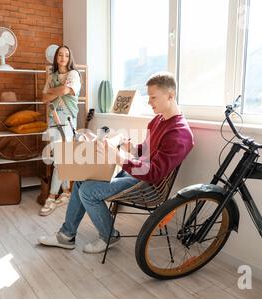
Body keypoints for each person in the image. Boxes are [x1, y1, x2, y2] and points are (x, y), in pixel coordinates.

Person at [38, 72, 194, 253]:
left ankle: (109, 236)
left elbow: (153, 173)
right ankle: (66, 236)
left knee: (88, 191)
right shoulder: (158, 120)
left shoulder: (179, 133)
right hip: (134, 173)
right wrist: (129, 147)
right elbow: (147, 151)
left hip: (148, 185)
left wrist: (119, 158)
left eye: (153, 97)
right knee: (81, 178)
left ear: (170, 96)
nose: (149, 102)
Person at [40, 45, 81, 216]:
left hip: (67, 120)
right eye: (60, 55)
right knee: (60, 157)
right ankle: (65, 192)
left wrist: (53, 91)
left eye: (66, 55)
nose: (63, 57)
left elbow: (66, 90)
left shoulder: (73, 75)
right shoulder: (52, 76)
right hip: (53, 119)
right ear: (56, 58)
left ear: (69, 58)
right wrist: (58, 90)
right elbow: (44, 98)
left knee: (60, 158)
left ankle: (51, 197)